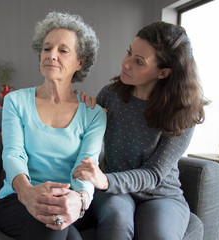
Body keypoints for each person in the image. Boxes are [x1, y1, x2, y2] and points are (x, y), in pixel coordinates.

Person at [72, 21, 208, 240]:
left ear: (163, 73)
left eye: (138, 61)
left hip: (161, 195)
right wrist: (76, 108)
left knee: (159, 235)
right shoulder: (110, 95)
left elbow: (154, 174)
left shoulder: (183, 112)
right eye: (129, 53)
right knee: (117, 221)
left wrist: (105, 180)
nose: (125, 64)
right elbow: (83, 136)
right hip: (115, 191)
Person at [0, 11, 106, 240]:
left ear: (80, 61)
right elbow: (13, 154)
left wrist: (79, 200)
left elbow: (86, 165)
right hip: (19, 199)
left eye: (63, 50)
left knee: (57, 219)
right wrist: (27, 192)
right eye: (47, 48)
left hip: (71, 201)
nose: (51, 55)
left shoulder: (93, 114)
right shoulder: (15, 101)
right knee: (57, 226)